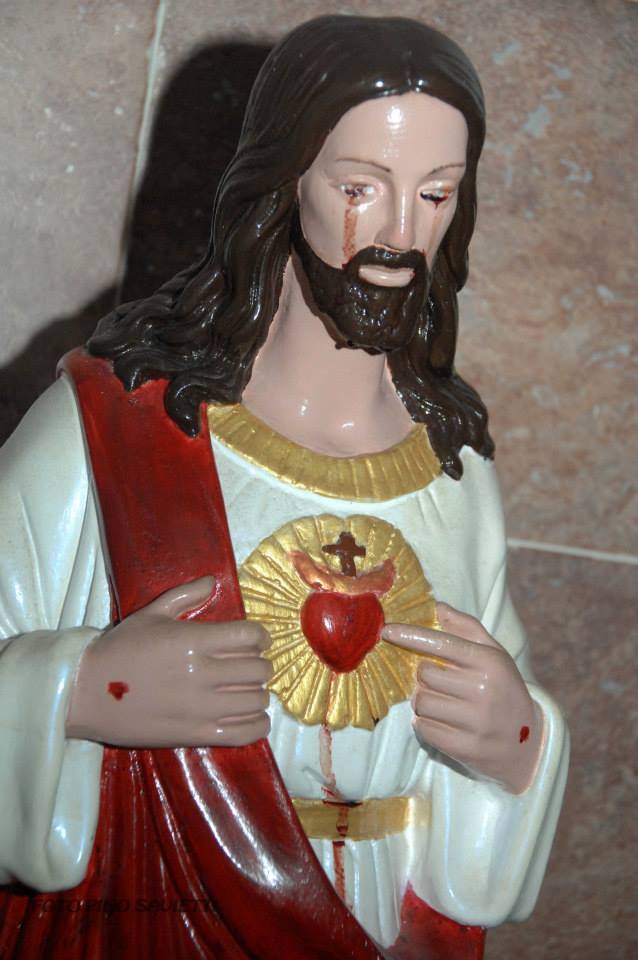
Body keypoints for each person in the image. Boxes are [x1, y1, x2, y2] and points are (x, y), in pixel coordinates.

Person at [0, 15, 568, 960]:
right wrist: (82, 691)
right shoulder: (113, 430)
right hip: (150, 909)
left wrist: (514, 738)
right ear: (284, 182)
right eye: (360, 187)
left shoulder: (451, 464)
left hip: (377, 918)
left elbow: (501, 698)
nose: (400, 234)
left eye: (435, 193)